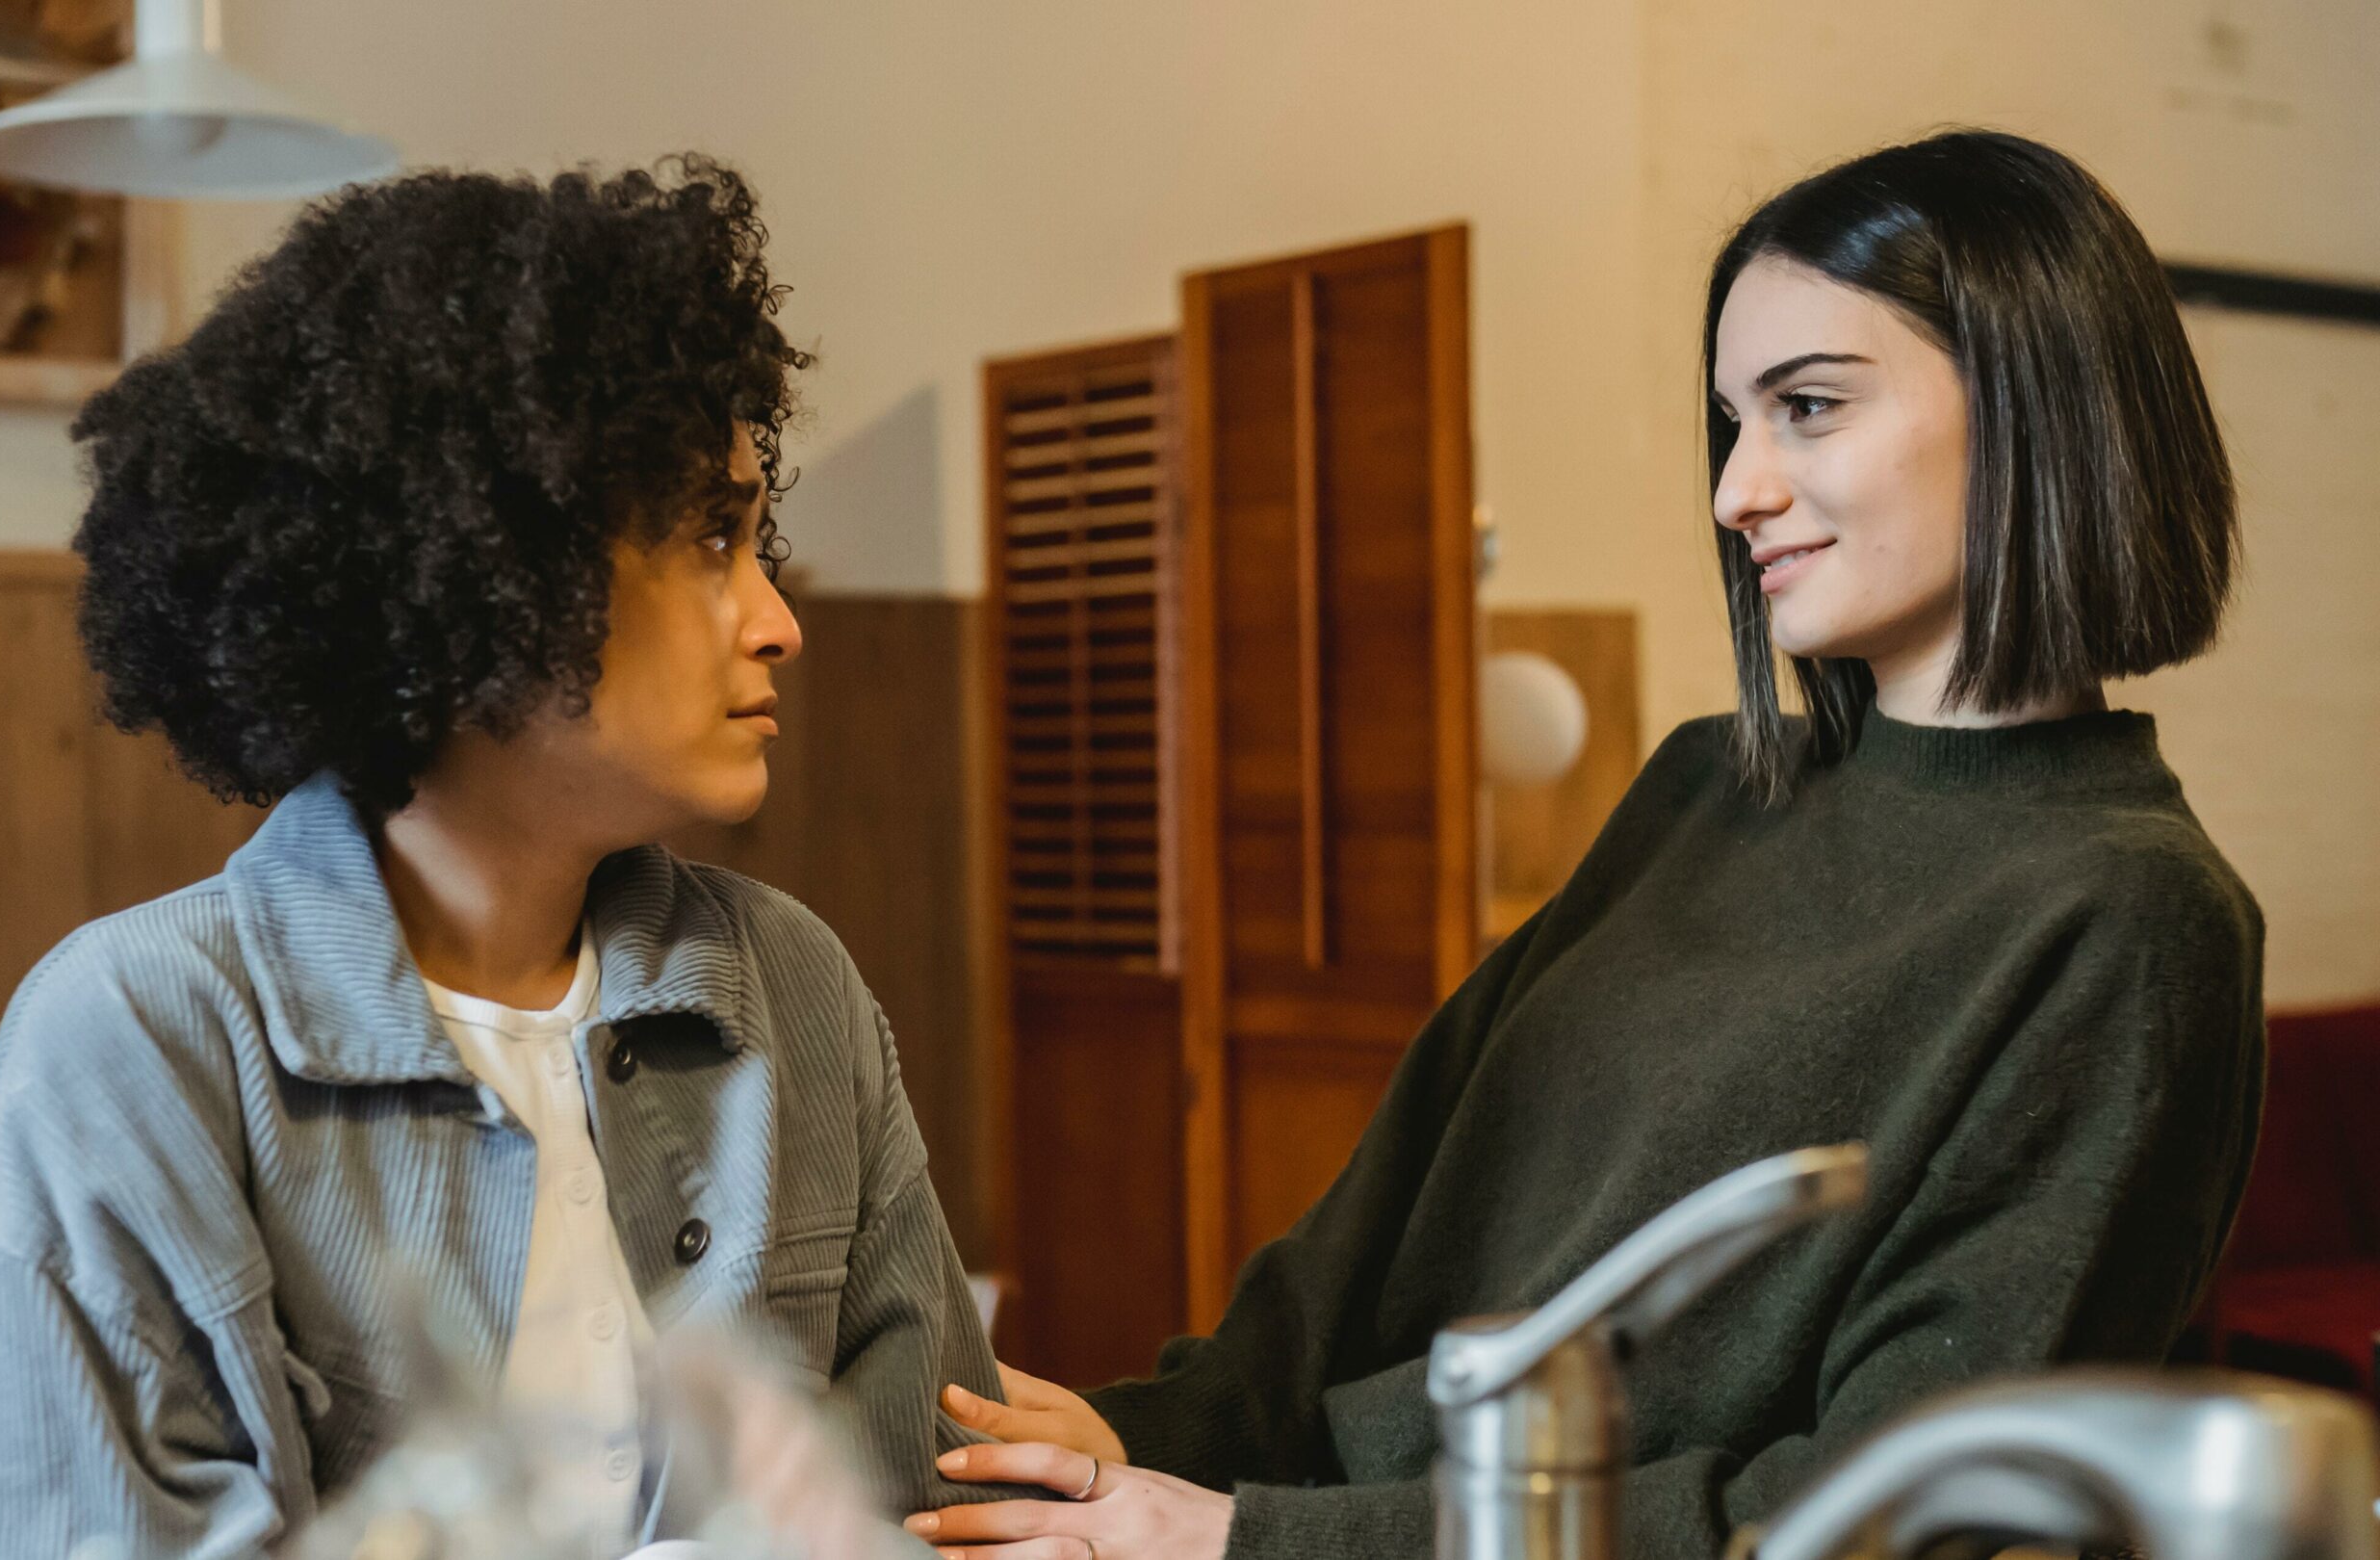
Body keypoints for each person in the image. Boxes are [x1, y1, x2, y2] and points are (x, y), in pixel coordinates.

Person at [911, 129, 2265, 1560]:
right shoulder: (1708, 786)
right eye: (1731, 422)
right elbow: (1403, 1195)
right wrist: (1149, 1442)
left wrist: (1245, 1538)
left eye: (1808, 407)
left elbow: (1897, 1510)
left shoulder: (2130, 918)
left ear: (2034, 401)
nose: (1737, 489)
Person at [0, 160, 1007, 1558]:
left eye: (759, 539)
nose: (777, 619)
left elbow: (949, 1507)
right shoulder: (132, 1046)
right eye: (710, 538)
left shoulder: (789, 987)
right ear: (489, 571)